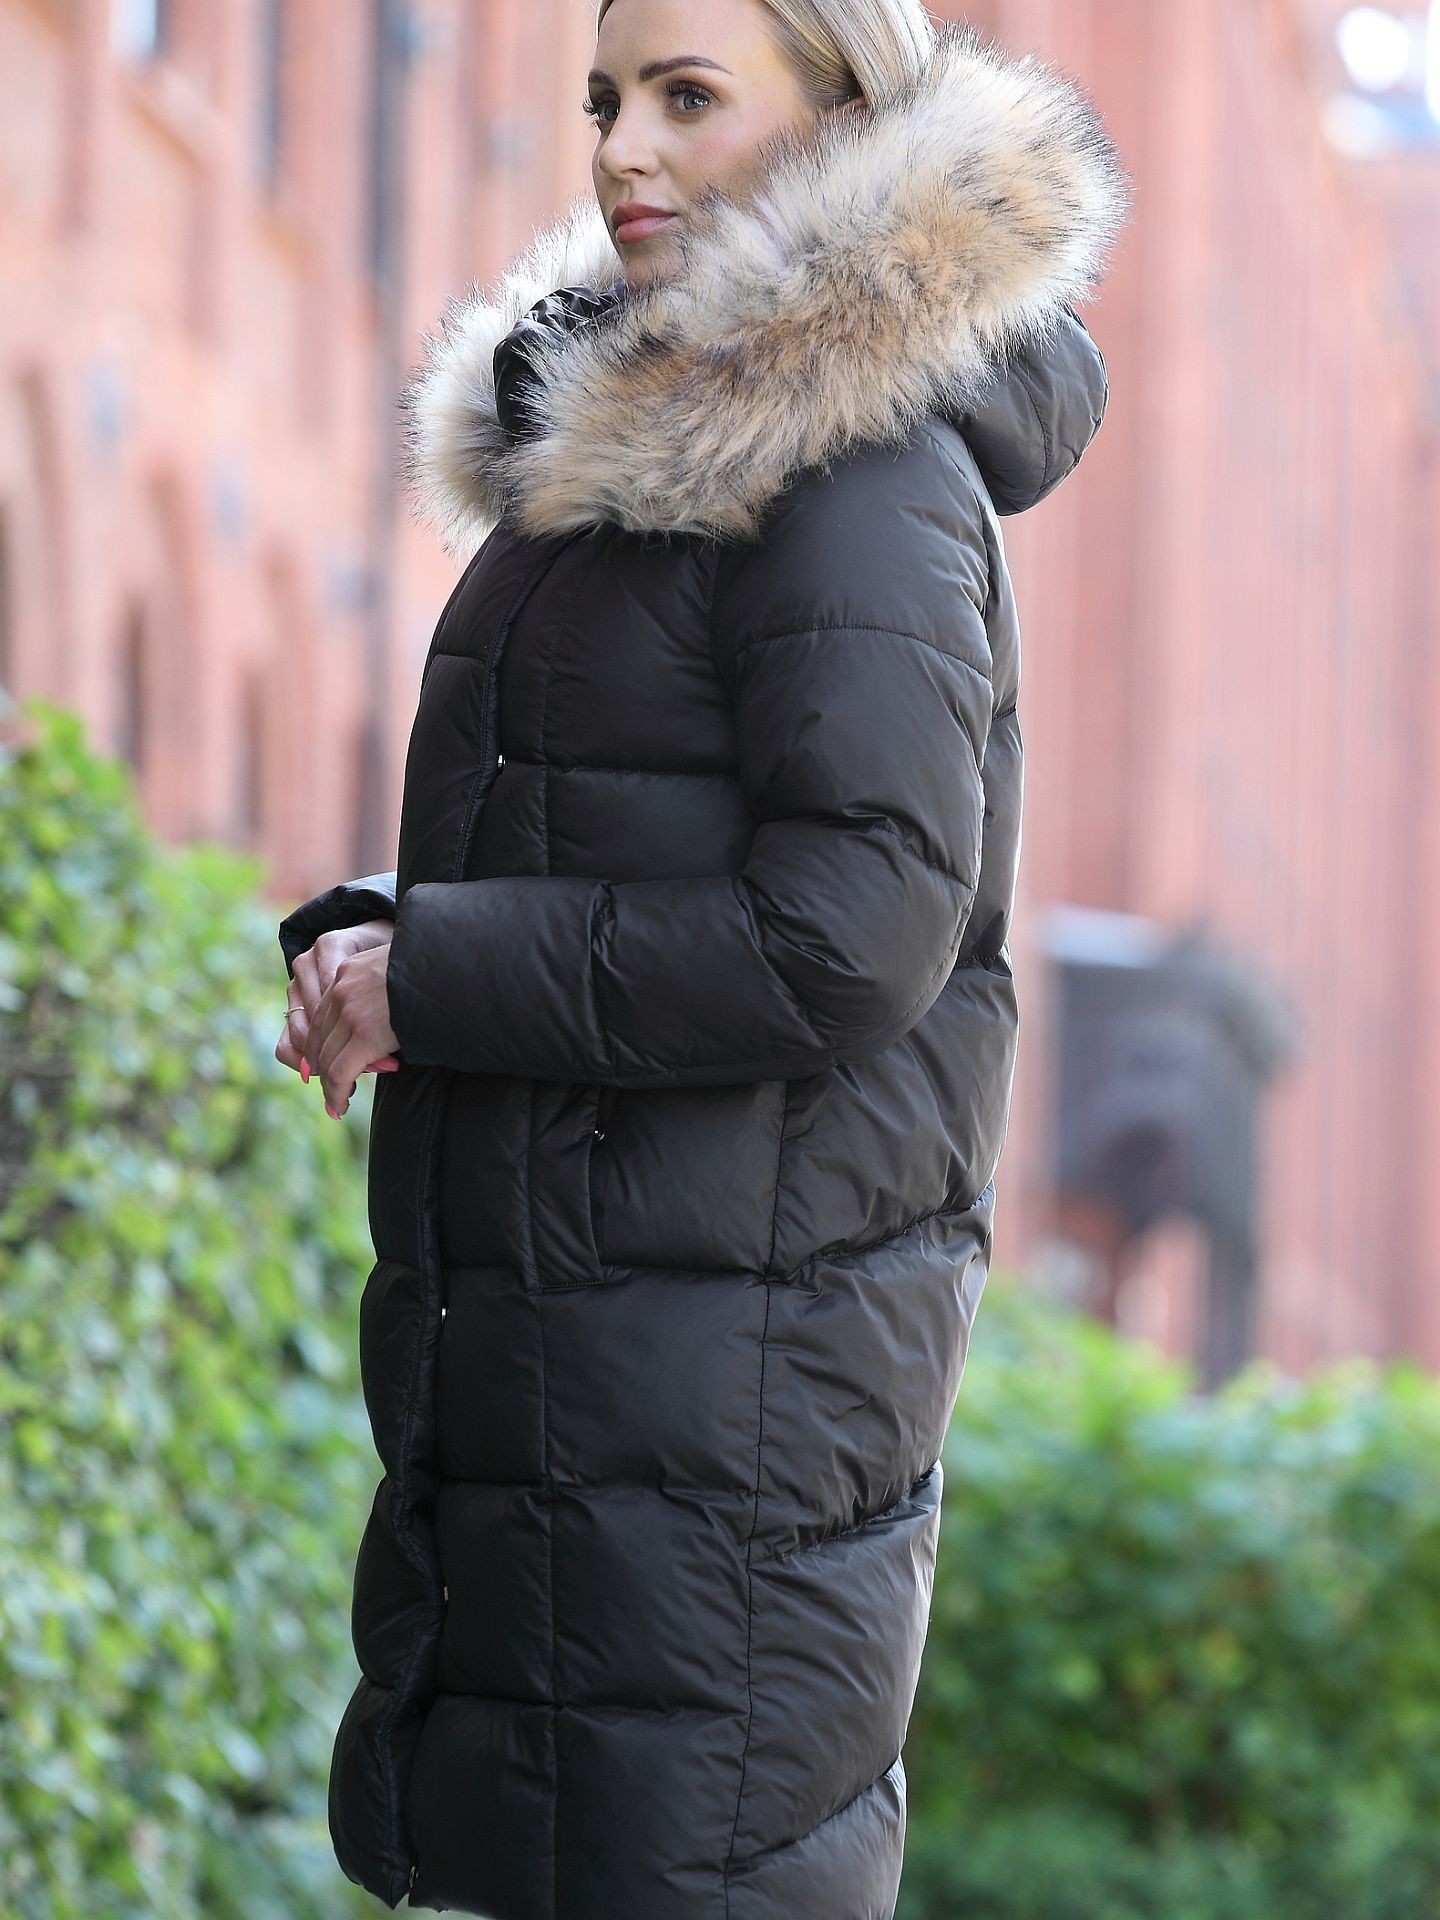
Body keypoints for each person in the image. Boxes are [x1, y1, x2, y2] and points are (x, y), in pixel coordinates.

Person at [276, 1, 1130, 1913]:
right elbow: (615, 845)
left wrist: (443, 973)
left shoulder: (861, 479)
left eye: (687, 97)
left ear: (841, 121)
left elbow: (850, 934)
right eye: (606, 99)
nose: (621, 152)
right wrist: (396, 940)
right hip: (599, 1396)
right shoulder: (659, 458)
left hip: (715, 1428)